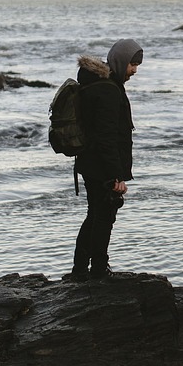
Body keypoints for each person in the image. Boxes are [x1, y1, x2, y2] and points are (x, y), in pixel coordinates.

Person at [65, 38, 143, 281]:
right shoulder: (108, 90)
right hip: (100, 166)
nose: (134, 70)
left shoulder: (100, 84)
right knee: (104, 216)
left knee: (95, 214)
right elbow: (107, 137)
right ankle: (98, 268)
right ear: (120, 62)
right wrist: (115, 176)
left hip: (90, 163)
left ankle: (80, 270)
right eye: (132, 64)